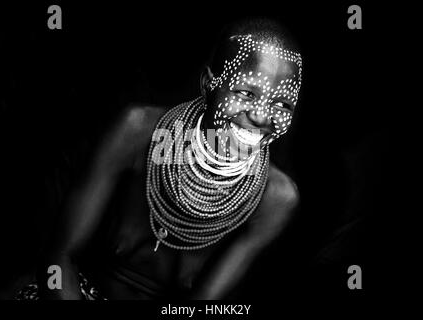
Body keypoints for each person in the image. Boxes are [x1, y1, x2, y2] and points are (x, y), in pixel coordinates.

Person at [19, 17, 303, 300]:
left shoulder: (276, 197)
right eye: (246, 92)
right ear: (207, 84)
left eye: (282, 104)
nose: (262, 115)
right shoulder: (139, 131)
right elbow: (58, 259)